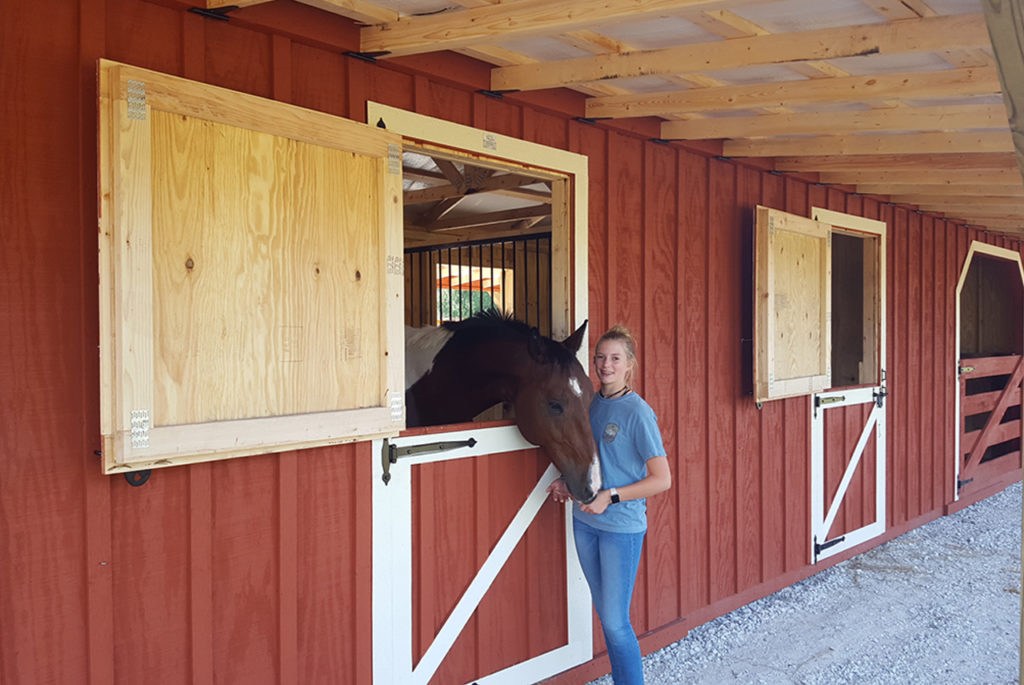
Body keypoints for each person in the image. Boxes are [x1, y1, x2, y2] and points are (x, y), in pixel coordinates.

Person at [547, 324, 672, 685]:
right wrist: (567, 484)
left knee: (616, 624)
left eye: (615, 358)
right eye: (600, 357)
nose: (606, 364)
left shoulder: (638, 413)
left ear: (629, 364)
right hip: (585, 523)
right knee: (607, 617)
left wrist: (611, 496)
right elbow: (591, 460)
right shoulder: (589, 403)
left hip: (620, 528)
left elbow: (661, 479)